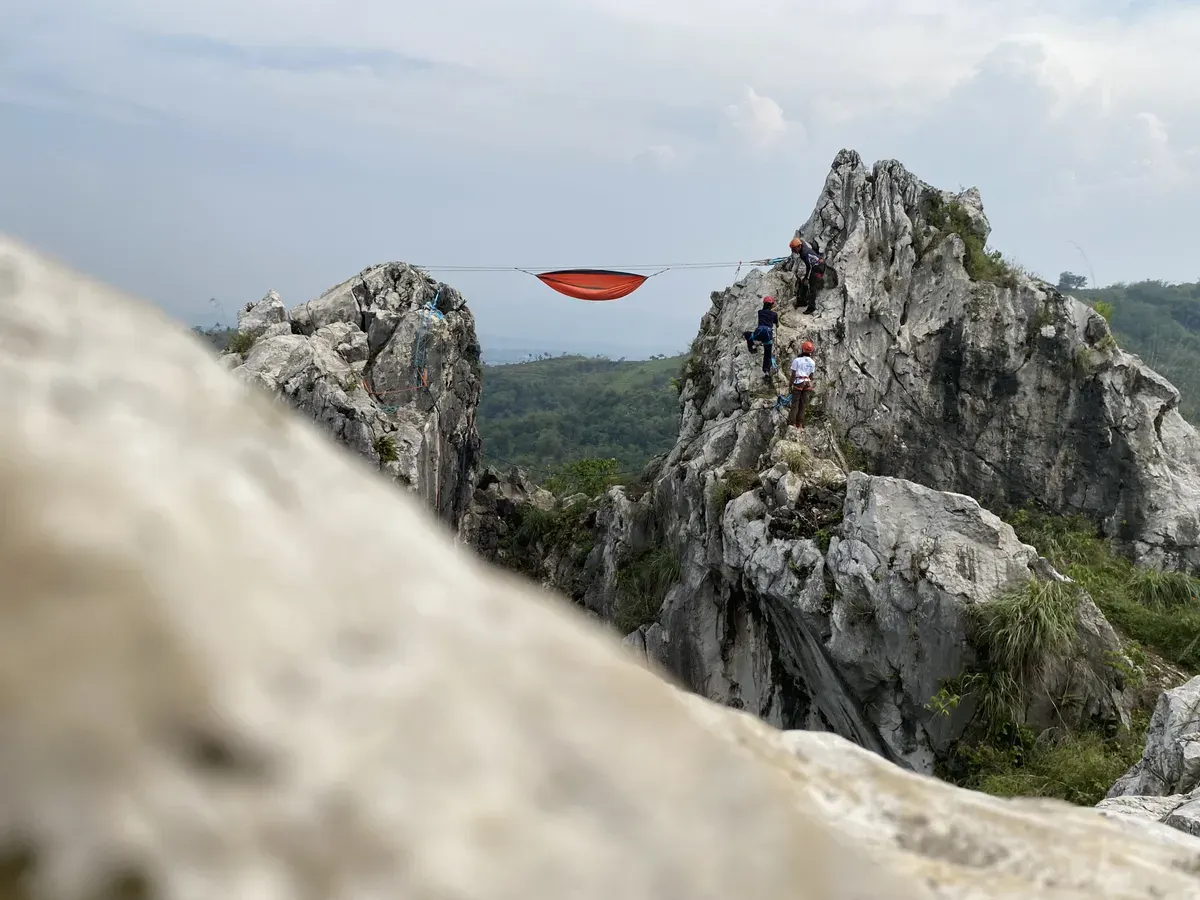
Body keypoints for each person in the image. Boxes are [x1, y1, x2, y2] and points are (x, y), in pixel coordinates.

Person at [783, 236, 826, 313]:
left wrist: (807, 277)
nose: (793, 250)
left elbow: (809, 266)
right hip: (817, 265)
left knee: (812, 286)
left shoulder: (805, 254)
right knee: (804, 282)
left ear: (799, 247)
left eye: (794, 249)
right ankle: (802, 300)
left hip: (818, 267)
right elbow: (801, 241)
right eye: (792, 249)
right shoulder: (802, 246)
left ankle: (811, 307)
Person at [742, 296, 778, 381]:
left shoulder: (760, 312)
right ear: (771, 305)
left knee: (747, 334)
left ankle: (752, 348)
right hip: (768, 335)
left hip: (759, 332)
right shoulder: (774, 314)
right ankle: (766, 371)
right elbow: (776, 323)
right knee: (767, 354)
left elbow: (764, 314)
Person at [788, 340, 816, 428]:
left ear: (803, 349)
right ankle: (799, 424)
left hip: (798, 383)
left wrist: (790, 385)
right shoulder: (812, 362)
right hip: (807, 383)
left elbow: (793, 374)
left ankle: (792, 423)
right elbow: (811, 375)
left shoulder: (797, 360)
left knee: (795, 404)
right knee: (803, 405)